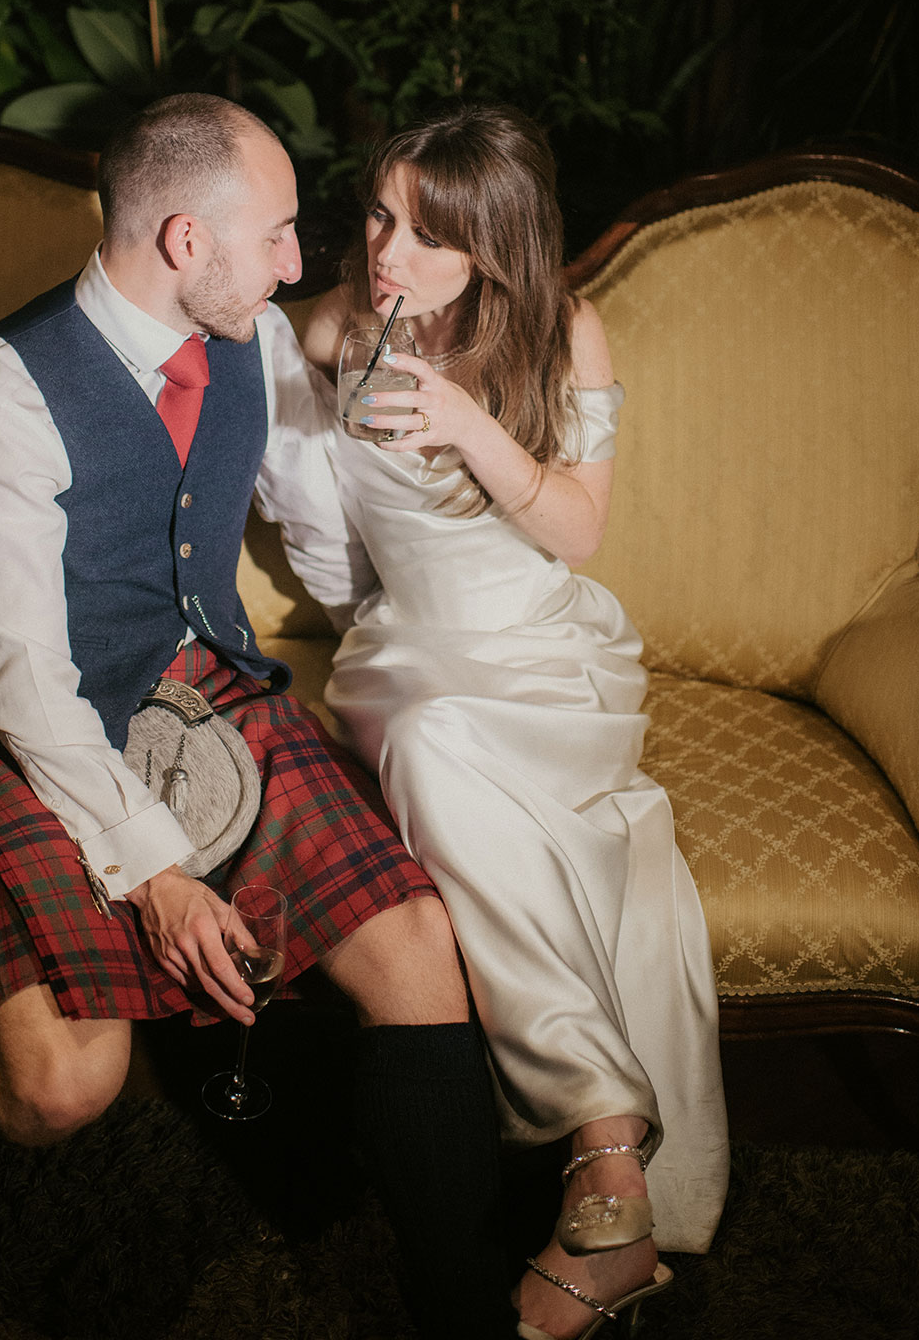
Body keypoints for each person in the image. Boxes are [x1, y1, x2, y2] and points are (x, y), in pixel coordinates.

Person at [0, 92, 518, 1340]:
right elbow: (22, 683)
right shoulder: (1, 395)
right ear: (183, 241)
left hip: (205, 685)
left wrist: (436, 633)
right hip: (40, 720)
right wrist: (155, 874)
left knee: (420, 947)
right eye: (275, 234)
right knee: (60, 1084)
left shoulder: (248, 337)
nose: (302, 264)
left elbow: (316, 530)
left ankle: (465, 1308)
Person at [303, 103, 730, 1340]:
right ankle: (608, 1165)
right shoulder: (343, 324)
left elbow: (579, 532)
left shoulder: (565, 334)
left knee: (454, 750)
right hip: (405, 653)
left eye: (425, 235)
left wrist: (468, 423)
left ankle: (602, 1164)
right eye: (380, 216)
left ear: (491, 248)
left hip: (546, 658)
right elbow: (220, 362)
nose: (387, 250)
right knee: (432, 737)